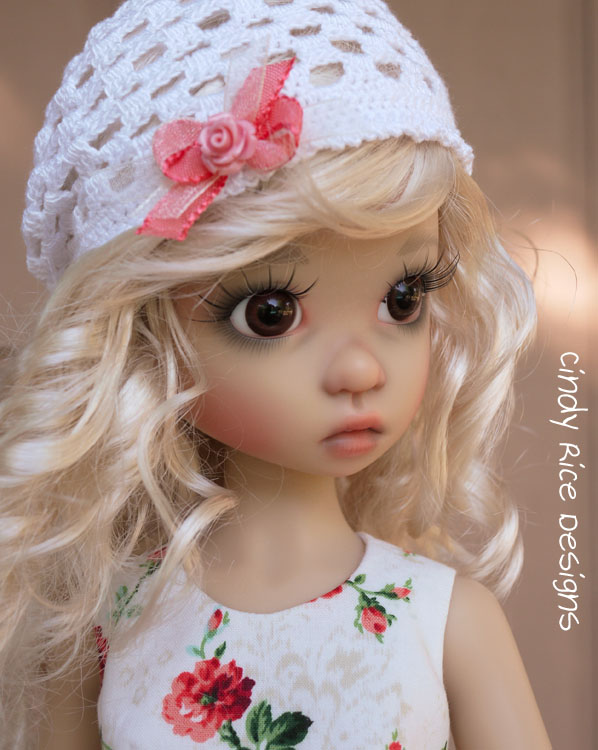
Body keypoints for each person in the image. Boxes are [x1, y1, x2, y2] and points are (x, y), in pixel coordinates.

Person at [0, 1, 552, 748]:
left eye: (403, 299)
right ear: (144, 337)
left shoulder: (445, 621)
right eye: (269, 313)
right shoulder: (104, 627)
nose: (360, 369)